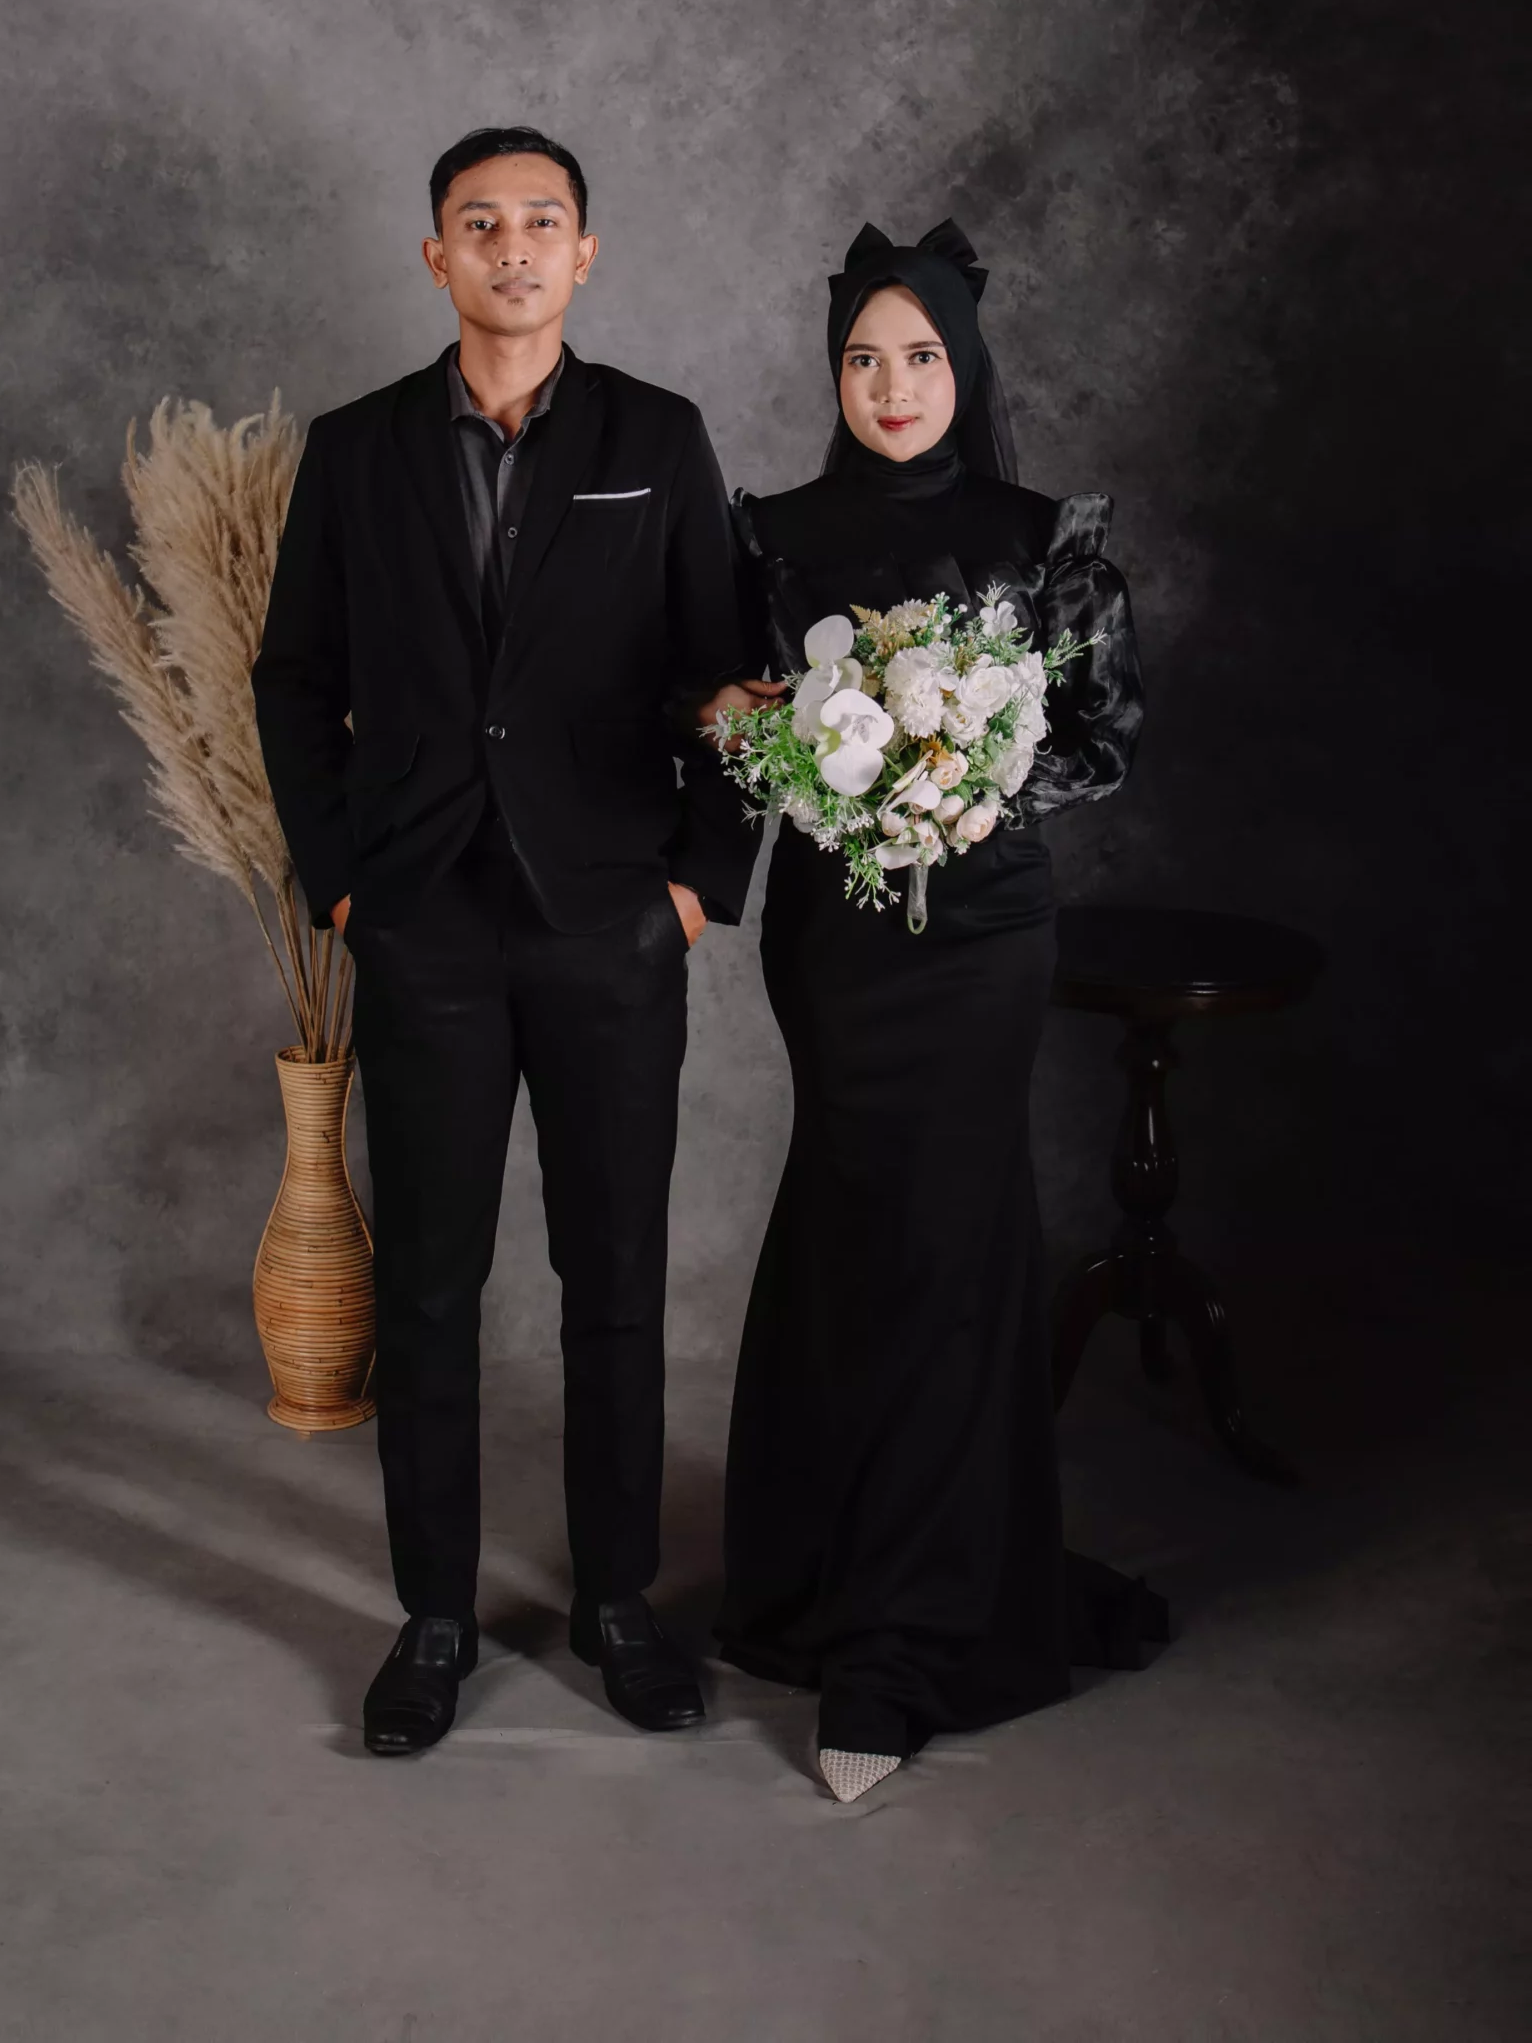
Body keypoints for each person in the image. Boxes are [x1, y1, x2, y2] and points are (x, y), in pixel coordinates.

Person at [253, 126, 762, 1755]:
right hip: (426, 925)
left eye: (543, 221)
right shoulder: (358, 448)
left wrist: (701, 881)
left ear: (585, 253)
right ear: (438, 258)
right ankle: (435, 1618)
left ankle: (618, 1606)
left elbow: (729, 670)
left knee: (614, 1281)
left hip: (611, 921)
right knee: (428, 1292)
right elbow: (292, 678)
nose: (514, 247)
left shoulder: (656, 436)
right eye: (481, 224)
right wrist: (346, 886)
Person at [715, 218, 1167, 1802]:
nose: (891, 385)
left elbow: (1105, 731)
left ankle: (901, 1646)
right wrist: (751, 732)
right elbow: (729, 723)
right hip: (832, 946)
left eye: (919, 356)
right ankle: (813, 1567)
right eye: (862, 358)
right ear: (832, 374)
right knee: (848, 1232)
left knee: (950, 1248)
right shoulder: (771, 535)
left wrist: (979, 784)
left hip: (981, 940)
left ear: (965, 367)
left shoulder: (1042, 536)